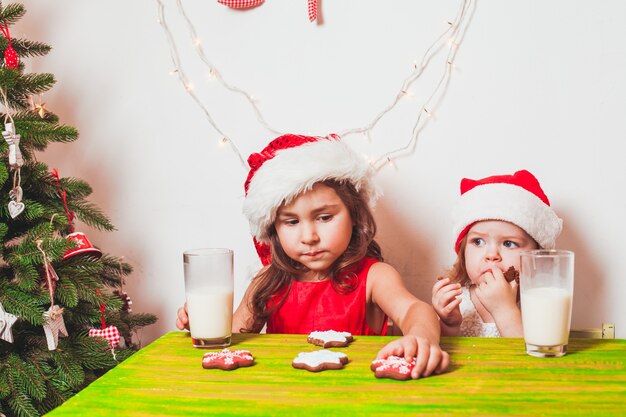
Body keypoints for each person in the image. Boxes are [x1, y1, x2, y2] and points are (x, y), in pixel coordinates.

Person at [177, 133, 449, 378]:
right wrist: (203, 325)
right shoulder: (268, 281)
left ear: (354, 214)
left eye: (324, 217)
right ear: (273, 228)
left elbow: (416, 309)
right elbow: (232, 338)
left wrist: (420, 337)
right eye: (291, 222)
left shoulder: (374, 277)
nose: (309, 236)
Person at [432, 169, 563, 337]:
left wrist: (505, 310)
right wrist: (448, 324)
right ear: (463, 250)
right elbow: (445, 354)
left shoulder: (538, 303)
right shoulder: (459, 301)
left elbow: (535, 359)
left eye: (509, 243)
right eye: (478, 242)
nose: (491, 255)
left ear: (537, 255)